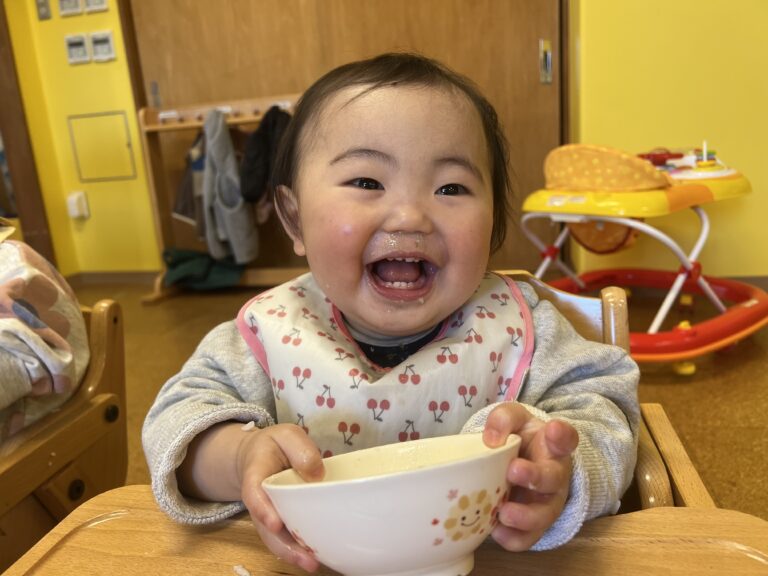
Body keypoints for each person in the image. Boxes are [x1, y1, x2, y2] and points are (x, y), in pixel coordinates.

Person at [143, 52, 639, 572]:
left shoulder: (520, 326)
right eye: (367, 183)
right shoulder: (270, 332)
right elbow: (175, 426)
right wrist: (238, 457)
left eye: (451, 187)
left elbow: (609, 415)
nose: (410, 215)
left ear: (493, 226)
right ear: (293, 219)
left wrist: (561, 471)